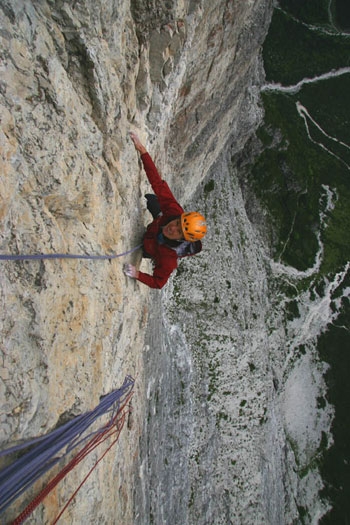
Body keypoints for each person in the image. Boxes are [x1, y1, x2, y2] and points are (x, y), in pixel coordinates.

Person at [124, 132, 207, 289]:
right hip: (158, 224)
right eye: (177, 223)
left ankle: (155, 220)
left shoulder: (168, 259)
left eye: (179, 231)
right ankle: (155, 209)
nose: (173, 228)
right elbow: (158, 183)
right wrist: (143, 151)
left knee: (157, 218)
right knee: (154, 199)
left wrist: (137, 274)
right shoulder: (174, 211)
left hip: (150, 246)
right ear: (179, 217)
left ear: (182, 239)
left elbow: (158, 282)